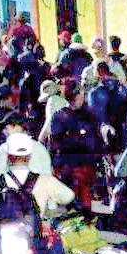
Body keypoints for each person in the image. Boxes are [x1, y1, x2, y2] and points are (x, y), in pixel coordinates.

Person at [0, 133, 75, 222]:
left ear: (8, 156)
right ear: (29, 156)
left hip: (2, 233)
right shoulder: (45, 181)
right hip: (33, 231)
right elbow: (68, 196)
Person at [46, 79, 104, 209]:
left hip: (86, 165)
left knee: (84, 202)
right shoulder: (61, 116)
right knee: (74, 202)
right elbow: (54, 143)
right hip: (71, 166)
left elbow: (97, 139)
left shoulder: (89, 115)